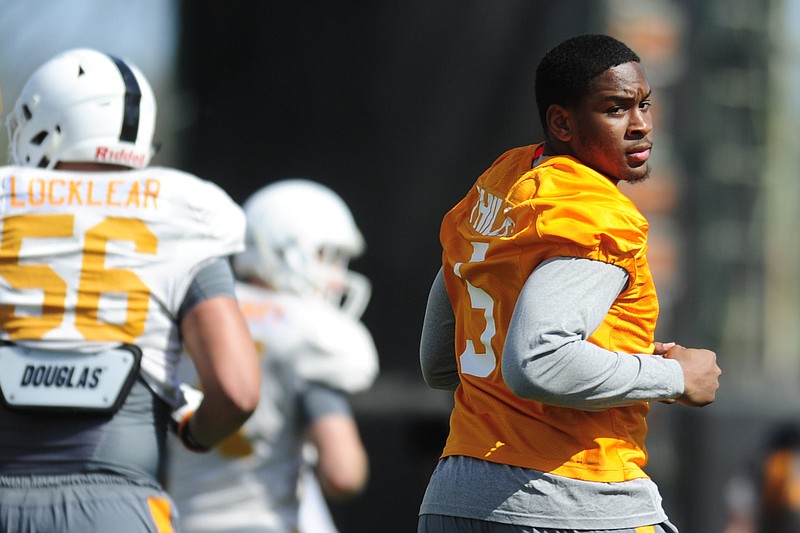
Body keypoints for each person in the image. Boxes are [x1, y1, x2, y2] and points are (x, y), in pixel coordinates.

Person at [417, 34, 722, 533]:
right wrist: (674, 378)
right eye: (616, 108)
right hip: (570, 497)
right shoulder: (593, 211)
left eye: (644, 104)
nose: (641, 124)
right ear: (562, 122)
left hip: (453, 500)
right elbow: (538, 360)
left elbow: (439, 363)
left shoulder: (498, 187)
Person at [0, 48, 261, 532]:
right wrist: (197, 433)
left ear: (48, 127)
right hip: (114, 506)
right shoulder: (184, 211)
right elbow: (238, 390)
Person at [167, 178, 379, 533]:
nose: (337, 278)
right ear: (283, 251)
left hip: (173, 520)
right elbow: (343, 474)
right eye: (328, 257)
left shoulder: (191, 311)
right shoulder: (311, 334)